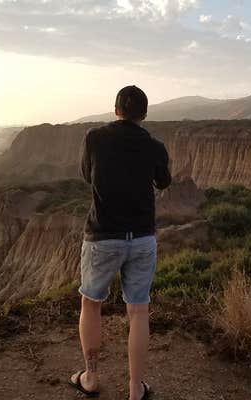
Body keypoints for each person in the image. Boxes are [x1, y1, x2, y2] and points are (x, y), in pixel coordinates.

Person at [68, 85, 171, 400]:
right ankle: (135, 388)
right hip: (141, 238)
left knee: (91, 303)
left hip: (102, 235)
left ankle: (91, 377)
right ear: (144, 114)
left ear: (116, 110)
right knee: (138, 311)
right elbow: (163, 182)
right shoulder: (155, 146)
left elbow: (88, 175)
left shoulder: (94, 138)